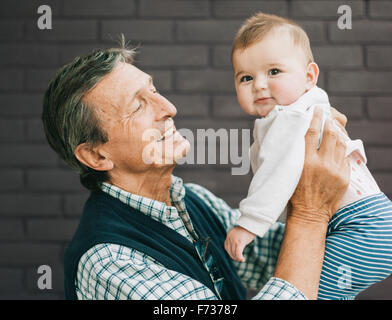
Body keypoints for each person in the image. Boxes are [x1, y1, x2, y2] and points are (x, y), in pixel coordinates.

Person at [42, 42, 350, 300]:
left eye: (154, 90)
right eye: (138, 106)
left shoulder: (192, 201)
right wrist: (310, 215)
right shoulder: (109, 262)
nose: (168, 108)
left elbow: (277, 254)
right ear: (96, 155)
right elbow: (305, 242)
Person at [224, 12, 392, 299]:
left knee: (308, 289)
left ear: (309, 76)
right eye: (246, 77)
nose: (259, 84)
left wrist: (248, 224)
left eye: (274, 72)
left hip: (358, 225)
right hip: (373, 223)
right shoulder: (308, 106)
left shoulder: (288, 118)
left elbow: (277, 174)